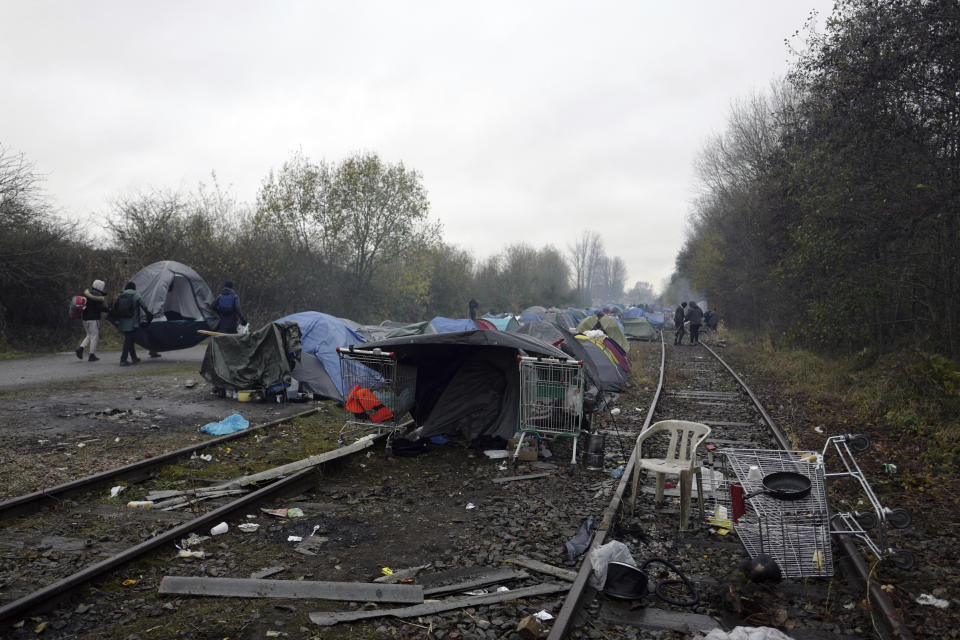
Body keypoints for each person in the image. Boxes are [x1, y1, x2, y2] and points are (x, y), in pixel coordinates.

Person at [113, 281, 152, 366]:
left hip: (123, 322)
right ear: (134, 288)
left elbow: (115, 307)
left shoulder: (121, 295)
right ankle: (123, 360)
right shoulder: (136, 295)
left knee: (130, 339)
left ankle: (134, 357)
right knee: (128, 340)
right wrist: (149, 315)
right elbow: (144, 306)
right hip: (133, 322)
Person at [76, 279, 108, 362]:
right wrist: (109, 309)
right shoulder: (97, 295)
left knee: (89, 335)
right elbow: (100, 307)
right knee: (95, 336)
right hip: (93, 319)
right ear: (100, 286)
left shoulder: (87, 292)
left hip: (84, 318)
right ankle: (91, 355)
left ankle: (80, 349)